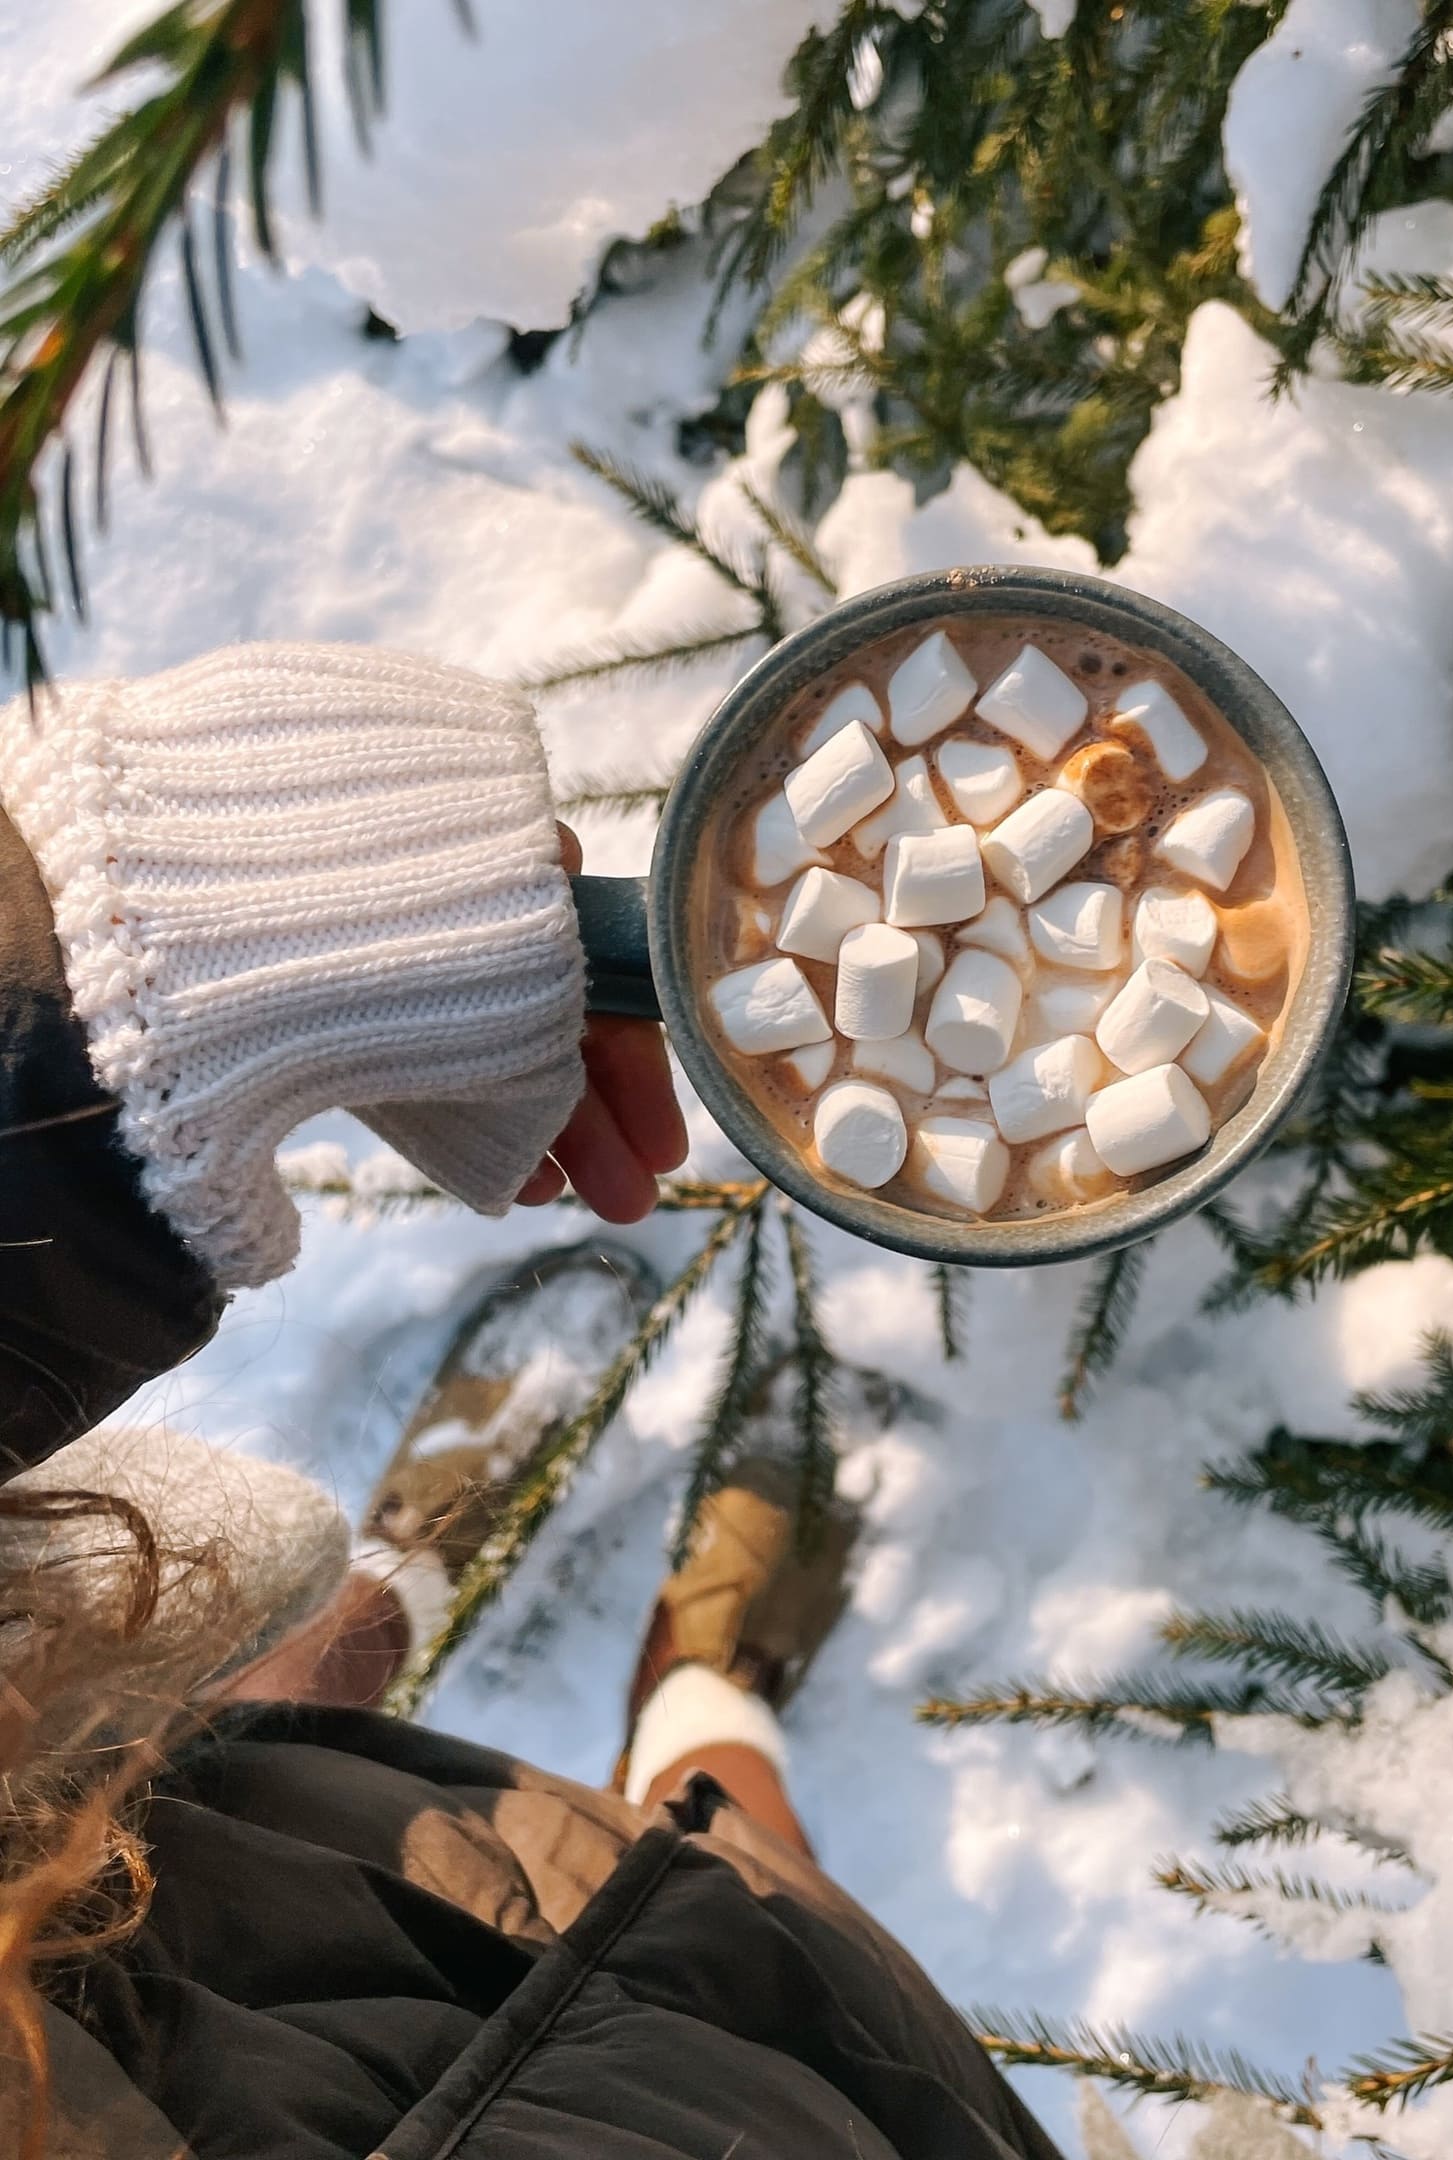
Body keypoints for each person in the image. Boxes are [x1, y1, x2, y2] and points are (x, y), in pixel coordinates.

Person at [0, 644, 1061, 2160]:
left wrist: (84, 987)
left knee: (262, 1702)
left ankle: (420, 1558)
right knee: (732, 1880)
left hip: (108, 1891)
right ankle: (706, 1692)